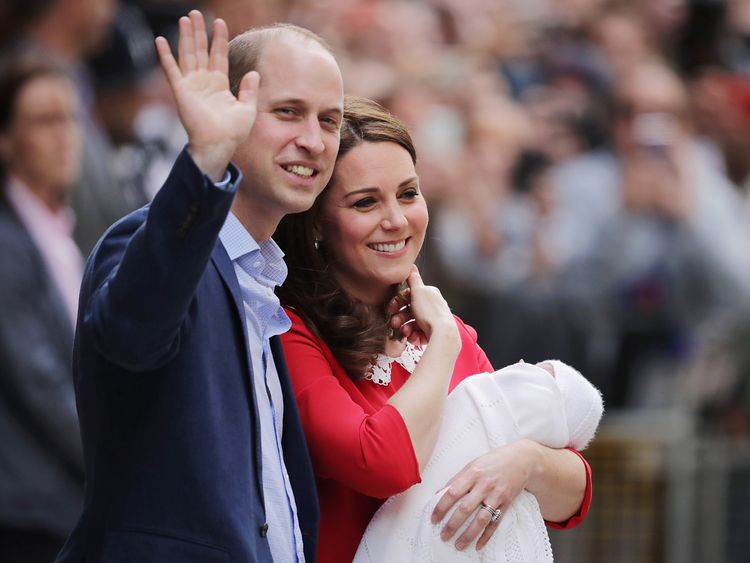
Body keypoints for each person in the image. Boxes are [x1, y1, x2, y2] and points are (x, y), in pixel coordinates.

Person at [55, 10, 343, 563]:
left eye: (329, 121)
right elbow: (131, 334)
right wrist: (204, 162)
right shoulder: (145, 239)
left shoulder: (262, 277)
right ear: (227, 112)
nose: (312, 139)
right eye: (288, 112)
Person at [275, 96, 593, 563]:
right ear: (318, 222)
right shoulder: (290, 333)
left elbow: (574, 495)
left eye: (408, 193)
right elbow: (383, 464)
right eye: (366, 202)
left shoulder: (448, 330)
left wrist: (525, 463)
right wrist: (442, 342)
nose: (397, 220)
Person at [355, 359, 603, 562]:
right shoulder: (448, 334)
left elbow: (578, 491)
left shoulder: (460, 340)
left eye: (536, 372)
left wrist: (528, 460)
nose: (521, 364)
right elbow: (381, 464)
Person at [0, 54, 84, 563]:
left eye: (70, 117)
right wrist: (121, 458)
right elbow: (41, 385)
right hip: (31, 513)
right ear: (7, 140)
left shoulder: (58, 231)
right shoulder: (6, 243)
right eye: (44, 120)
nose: (65, 135)